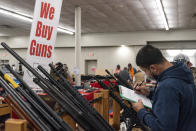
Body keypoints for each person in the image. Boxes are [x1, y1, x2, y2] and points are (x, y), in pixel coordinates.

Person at [131, 45, 196, 131]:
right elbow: (177, 99)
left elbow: (162, 128)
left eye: (145, 71)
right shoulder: (182, 74)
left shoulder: (167, 86)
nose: (146, 74)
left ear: (153, 68)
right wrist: (150, 93)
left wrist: (141, 111)